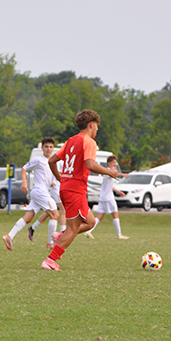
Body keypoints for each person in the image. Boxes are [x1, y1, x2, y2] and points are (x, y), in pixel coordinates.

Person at [41, 109, 119, 271]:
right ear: (91, 125)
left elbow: (52, 161)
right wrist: (109, 171)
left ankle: (60, 236)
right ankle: (50, 260)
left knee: (90, 222)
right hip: (75, 189)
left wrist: (60, 178)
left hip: (67, 188)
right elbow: (90, 164)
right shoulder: (89, 142)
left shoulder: (71, 140)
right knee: (73, 228)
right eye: (97, 127)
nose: (97, 130)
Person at [3, 137, 60, 251]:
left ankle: (9, 236)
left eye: (51, 147)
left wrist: (51, 183)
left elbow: (45, 177)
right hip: (39, 192)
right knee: (55, 215)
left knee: (28, 217)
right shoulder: (38, 160)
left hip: (40, 191)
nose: (48, 149)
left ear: (53, 148)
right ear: (42, 148)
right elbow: (24, 169)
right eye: (46, 147)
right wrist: (24, 182)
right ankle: (50, 244)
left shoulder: (52, 161)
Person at [84, 155, 129, 239]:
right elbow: (115, 174)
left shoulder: (108, 172)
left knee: (100, 216)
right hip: (108, 198)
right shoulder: (109, 171)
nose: (115, 164)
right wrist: (123, 174)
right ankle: (119, 235)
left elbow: (109, 185)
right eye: (113, 163)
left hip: (103, 197)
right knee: (115, 214)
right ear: (108, 163)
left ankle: (88, 231)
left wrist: (118, 191)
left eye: (115, 162)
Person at [28, 158, 67, 247]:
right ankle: (62, 234)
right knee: (63, 211)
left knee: (50, 212)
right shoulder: (61, 162)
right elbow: (57, 174)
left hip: (58, 189)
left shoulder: (66, 161)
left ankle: (33, 227)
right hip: (57, 189)